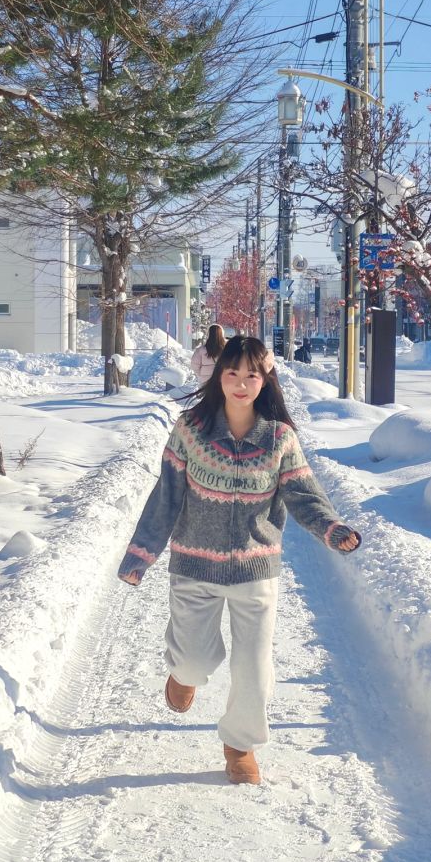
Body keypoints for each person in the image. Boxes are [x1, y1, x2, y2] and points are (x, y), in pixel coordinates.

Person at [117, 334, 361, 786]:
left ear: (266, 379)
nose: (242, 383)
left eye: (252, 374)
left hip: (256, 570)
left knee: (254, 666)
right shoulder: (190, 429)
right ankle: (185, 674)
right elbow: (165, 497)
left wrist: (331, 528)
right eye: (233, 373)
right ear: (219, 377)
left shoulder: (279, 439)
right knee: (192, 659)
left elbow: (304, 494)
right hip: (193, 567)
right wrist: (141, 552)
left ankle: (240, 745)